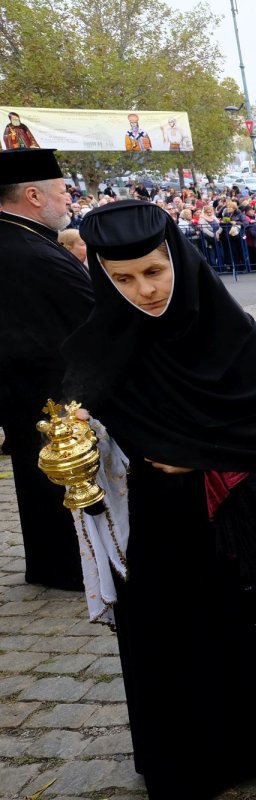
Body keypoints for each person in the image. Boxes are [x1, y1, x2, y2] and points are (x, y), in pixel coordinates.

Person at [65, 200, 256, 799]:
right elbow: (89, 426)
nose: (144, 289)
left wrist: (203, 454)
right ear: (103, 278)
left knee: (253, 629)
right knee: (177, 639)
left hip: (237, 520)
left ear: (176, 259)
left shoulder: (226, 325)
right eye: (124, 279)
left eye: (154, 271)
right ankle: (195, 756)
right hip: (161, 520)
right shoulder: (100, 343)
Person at [0, 148, 92, 590]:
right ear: (33, 195)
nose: (69, 200)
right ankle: (74, 567)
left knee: (34, 480)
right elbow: (95, 320)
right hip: (55, 391)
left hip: (18, 391)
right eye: (62, 192)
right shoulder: (40, 252)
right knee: (63, 481)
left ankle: (49, 564)